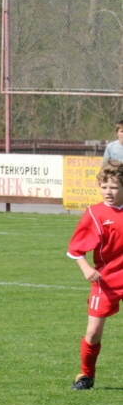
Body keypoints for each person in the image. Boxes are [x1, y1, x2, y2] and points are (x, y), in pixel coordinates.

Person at [67, 160, 123, 391]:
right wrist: (87, 268)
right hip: (106, 281)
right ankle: (86, 376)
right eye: (104, 187)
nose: (108, 192)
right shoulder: (94, 213)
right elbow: (75, 249)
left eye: (114, 187)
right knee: (93, 332)